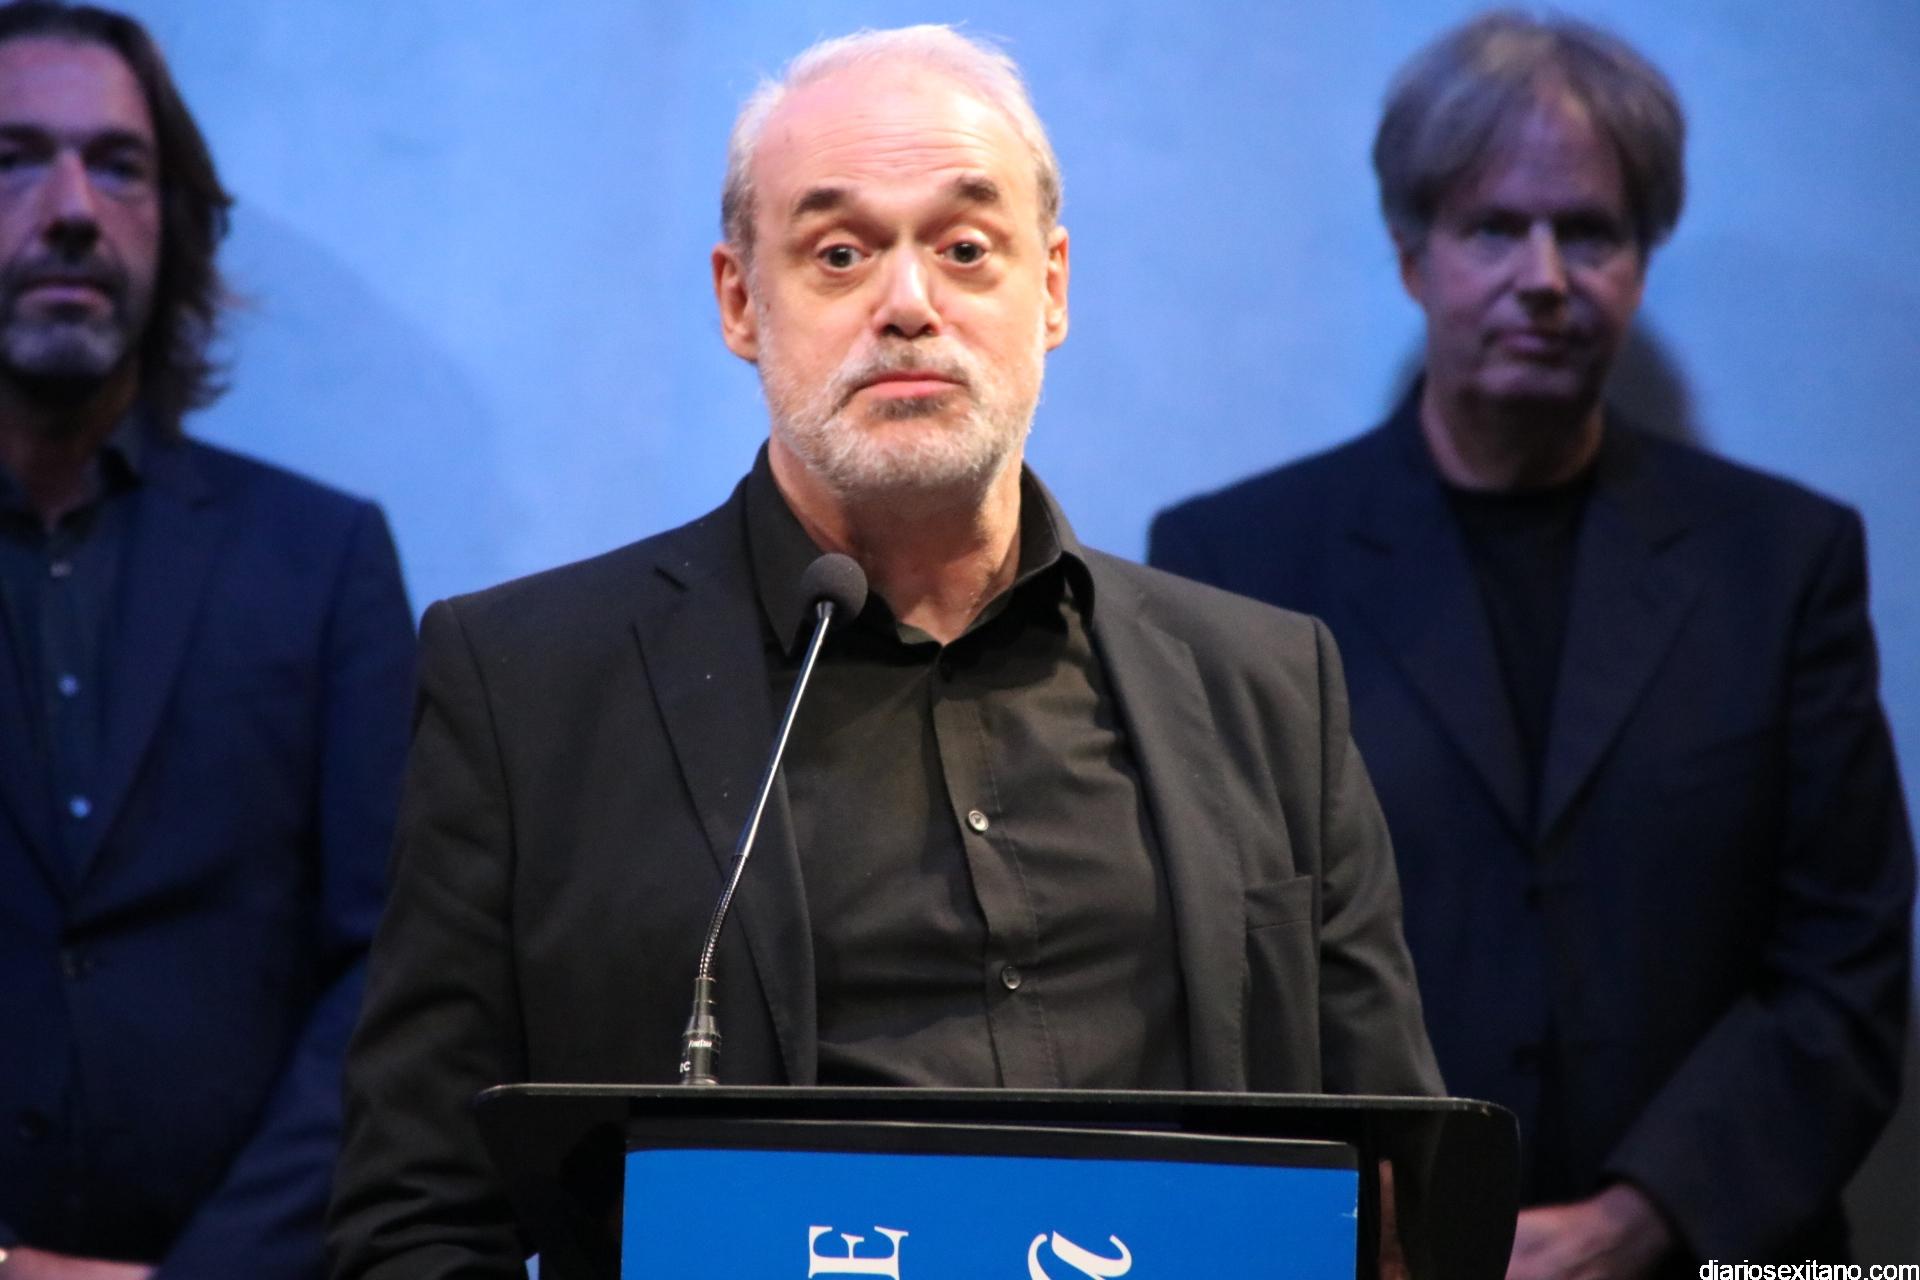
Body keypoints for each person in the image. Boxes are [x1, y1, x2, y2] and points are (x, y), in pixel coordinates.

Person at [329, 23, 1440, 1277]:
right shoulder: (527, 689)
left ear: (1052, 287)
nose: (908, 305)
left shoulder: (1267, 686)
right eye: (840, 253)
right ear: (740, 300)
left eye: (965, 249)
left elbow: (1399, 1198)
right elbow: (413, 1218)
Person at [1150, 11, 1913, 1278]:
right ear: (1414, 256)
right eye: (1495, 228)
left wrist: (1637, 1218)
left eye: (1591, 231)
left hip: (1710, 1250)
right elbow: (1219, 969)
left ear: (1642, 260)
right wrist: (1381, 1216)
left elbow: (1847, 961)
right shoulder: (1238, 566)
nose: (1546, 276)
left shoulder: (1782, 563)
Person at [0, 4, 415, 1277]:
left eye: (120, 165)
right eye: (13, 158)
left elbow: (395, 972)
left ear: (174, 218)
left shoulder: (322, 560)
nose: (73, 209)